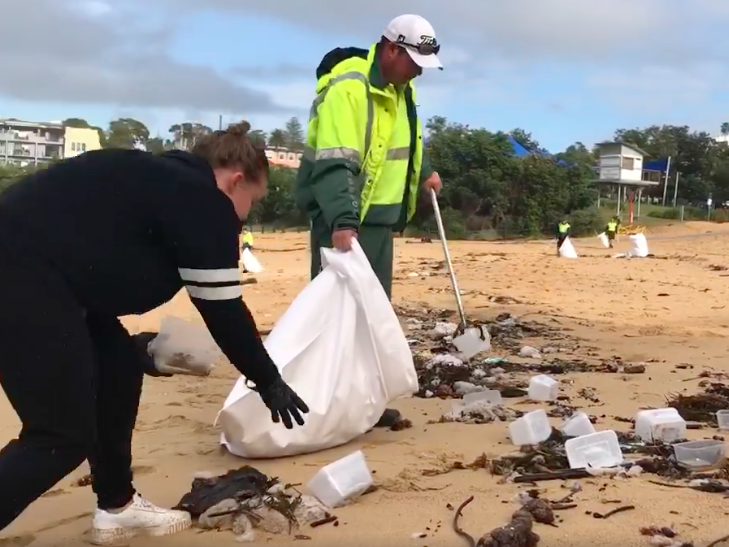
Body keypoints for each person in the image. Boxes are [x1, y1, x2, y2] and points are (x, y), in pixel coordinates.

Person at [0, 122, 309, 545]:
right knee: (59, 435)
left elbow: (95, 255)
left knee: (119, 366)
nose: (244, 215)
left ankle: (117, 506)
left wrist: (141, 349)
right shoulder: (203, 200)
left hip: (48, 280)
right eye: (251, 202)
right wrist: (269, 380)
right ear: (236, 180)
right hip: (21, 280)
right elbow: (224, 313)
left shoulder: (159, 178)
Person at [295, 13, 443, 300]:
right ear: (391, 50)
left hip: (380, 223)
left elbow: (407, 138)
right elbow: (334, 161)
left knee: (374, 314)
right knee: (335, 314)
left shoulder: (402, 89)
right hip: (342, 223)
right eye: (414, 63)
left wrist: (426, 172)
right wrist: (343, 221)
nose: (419, 72)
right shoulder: (349, 89)